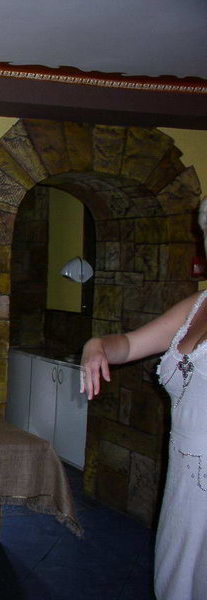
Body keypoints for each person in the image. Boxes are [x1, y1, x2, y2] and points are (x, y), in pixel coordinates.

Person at [80, 196, 207, 600]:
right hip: (185, 479)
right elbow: (130, 345)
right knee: (178, 581)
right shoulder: (198, 305)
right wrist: (97, 345)